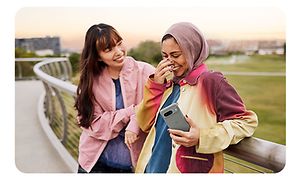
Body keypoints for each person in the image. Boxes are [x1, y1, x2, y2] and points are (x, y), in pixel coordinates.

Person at [135, 22, 258, 173]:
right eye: (165, 56)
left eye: (175, 55)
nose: (169, 62)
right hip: (152, 169)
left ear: (192, 51)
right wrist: (155, 86)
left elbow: (246, 122)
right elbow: (144, 123)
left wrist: (202, 136)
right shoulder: (169, 85)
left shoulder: (211, 81)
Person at [75, 23, 155, 173]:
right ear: (97, 57)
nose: (118, 52)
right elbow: (93, 124)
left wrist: (135, 120)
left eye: (119, 44)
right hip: (94, 164)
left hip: (133, 166)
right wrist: (133, 111)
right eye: (108, 49)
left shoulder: (146, 71)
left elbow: (155, 105)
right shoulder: (90, 81)